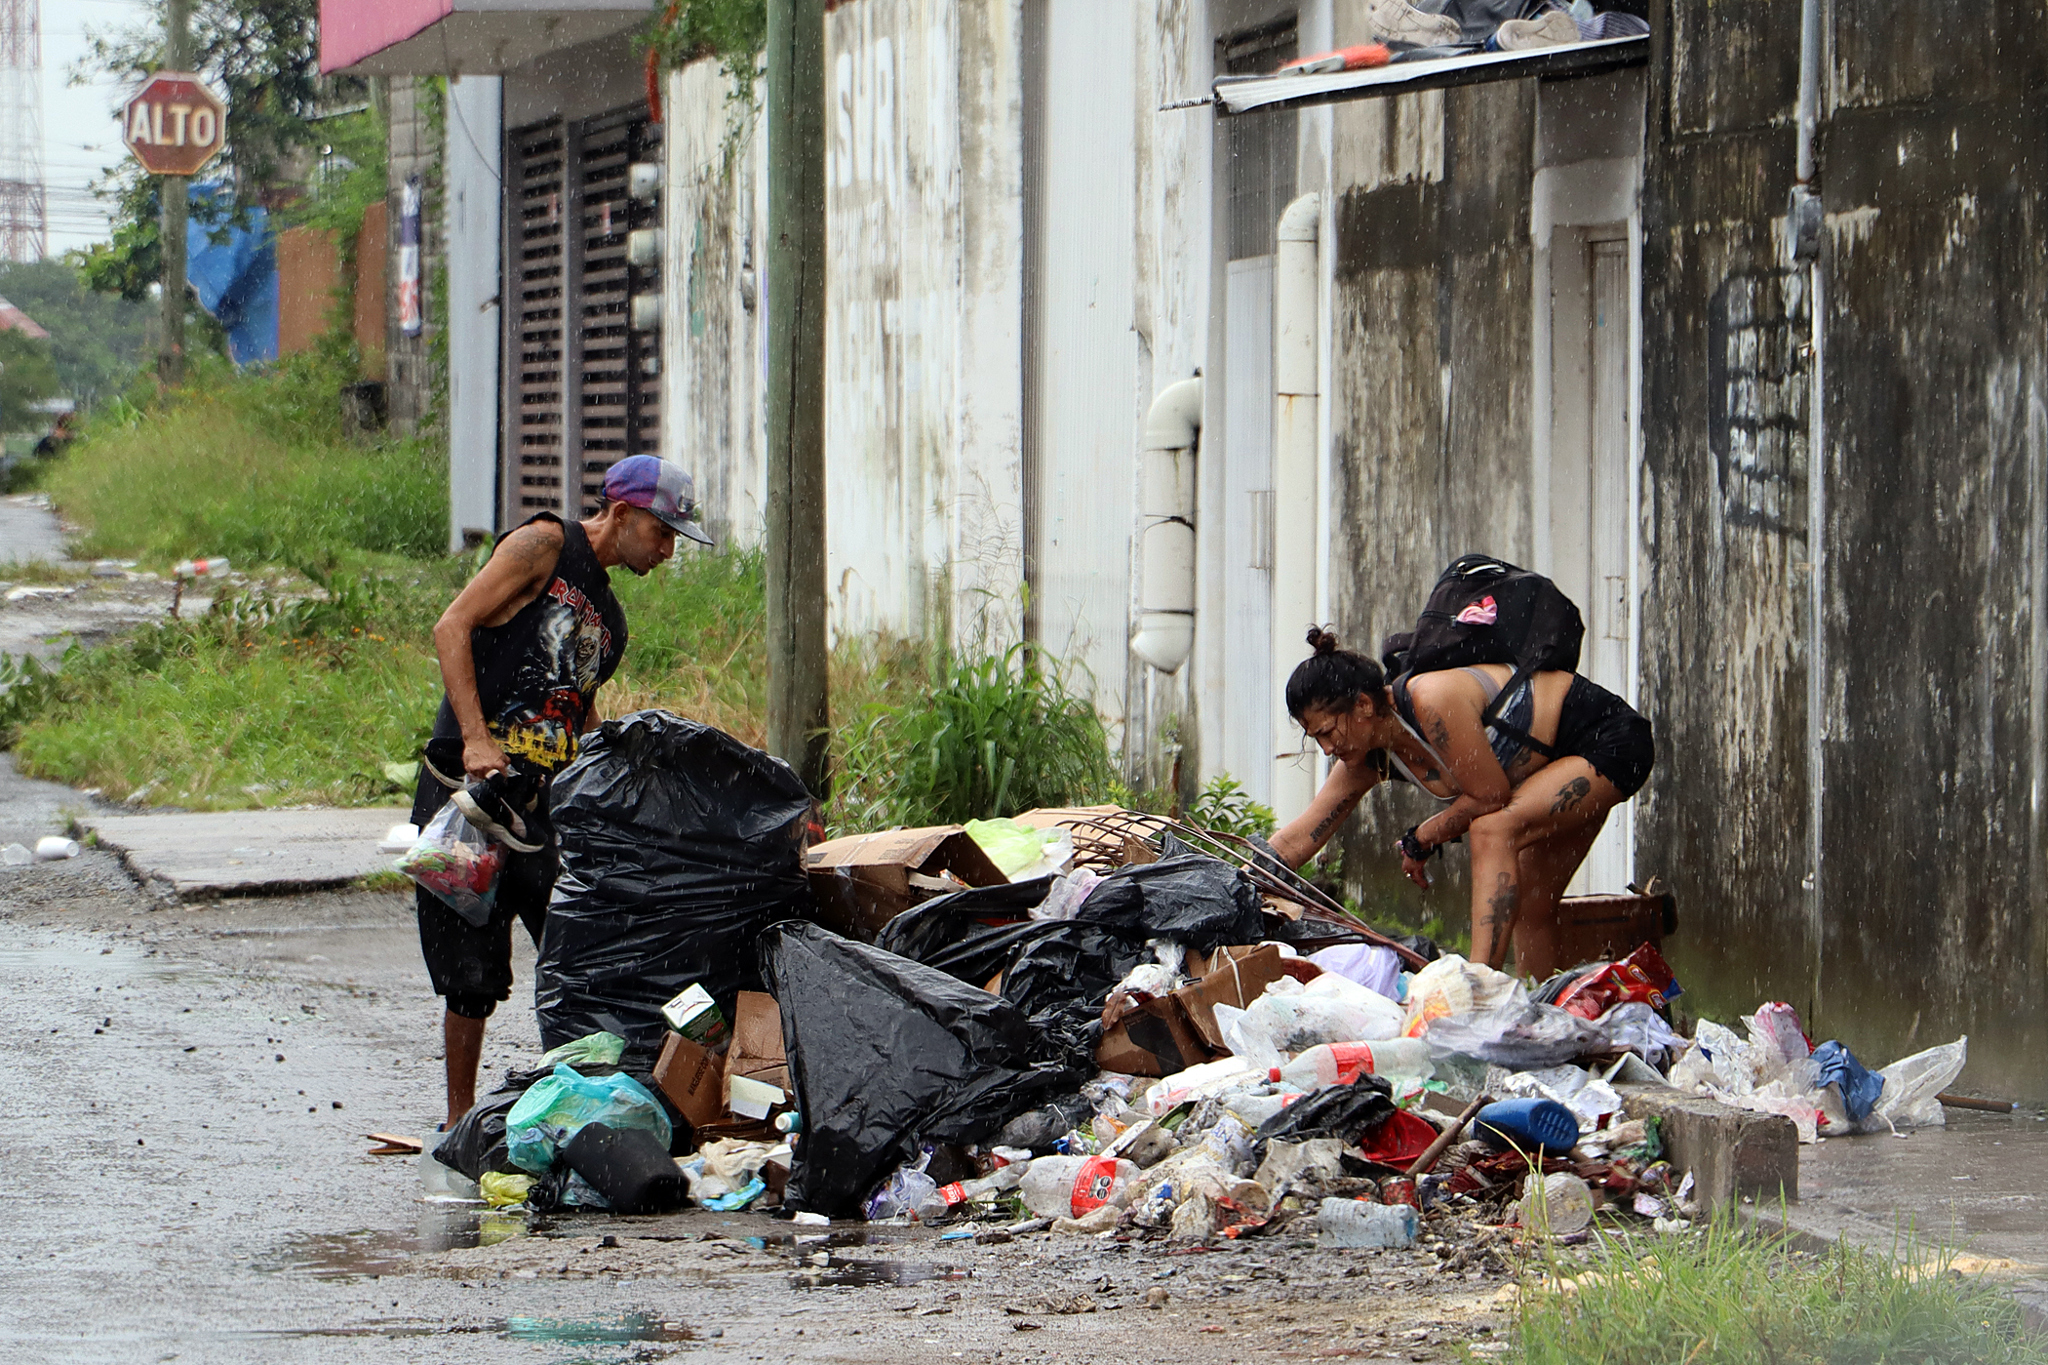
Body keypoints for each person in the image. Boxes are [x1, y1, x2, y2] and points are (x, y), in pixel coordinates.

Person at [410, 454, 713, 1128]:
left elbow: (576, 705)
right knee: (470, 971)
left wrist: (620, 777)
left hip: (542, 808)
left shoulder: (611, 622)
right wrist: (475, 737)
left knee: (585, 952)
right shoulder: (543, 545)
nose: (667, 551)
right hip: (470, 796)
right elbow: (451, 625)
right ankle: (458, 1124)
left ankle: (587, 1106)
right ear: (622, 513)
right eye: (662, 533)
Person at [1269, 627, 1654, 972]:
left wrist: (1422, 836)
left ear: (1364, 707)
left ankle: (1478, 991)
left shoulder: (1431, 699)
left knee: (1494, 829)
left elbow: (1490, 796)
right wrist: (1245, 878)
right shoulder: (1366, 755)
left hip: (1608, 739)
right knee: (1530, 906)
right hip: (1556, 765)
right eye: (1316, 739)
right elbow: (1298, 838)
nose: (1327, 749)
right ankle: (1537, 1010)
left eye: (1328, 732)